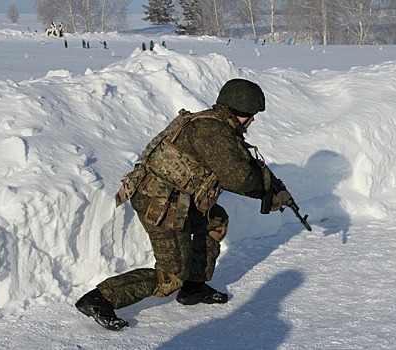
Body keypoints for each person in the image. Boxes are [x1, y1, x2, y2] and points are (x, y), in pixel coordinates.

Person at [75, 79, 292, 331]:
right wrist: (268, 192)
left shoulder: (216, 124)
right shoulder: (214, 132)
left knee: (215, 220)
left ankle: (194, 287)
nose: (252, 121)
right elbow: (238, 178)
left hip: (177, 198)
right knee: (170, 277)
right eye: (250, 116)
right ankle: (100, 298)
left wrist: (267, 189)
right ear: (237, 112)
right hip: (159, 203)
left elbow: (237, 169)